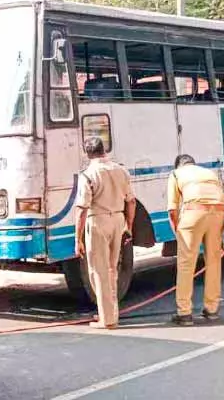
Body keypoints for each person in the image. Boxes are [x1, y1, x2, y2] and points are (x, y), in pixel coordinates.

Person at [75, 137, 136, 329]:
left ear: (87, 153)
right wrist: (129, 226)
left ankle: (107, 319)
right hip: (118, 219)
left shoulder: (88, 175)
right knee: (112, 269)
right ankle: (110, 313)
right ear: (104, 150)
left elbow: (82, 208)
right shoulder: (121, 170)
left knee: (98, 271)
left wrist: (78, 239)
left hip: (98, 221)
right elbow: (131, 201)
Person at [166, 154, 224, 326]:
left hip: (194, 212)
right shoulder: (209, 173)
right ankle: (212, 309)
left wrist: (178, 231)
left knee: (186, 264)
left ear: (178, 165)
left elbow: (172, 209)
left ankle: (184, 313)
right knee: (214, 261)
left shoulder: (176, 174)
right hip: (218, 212)